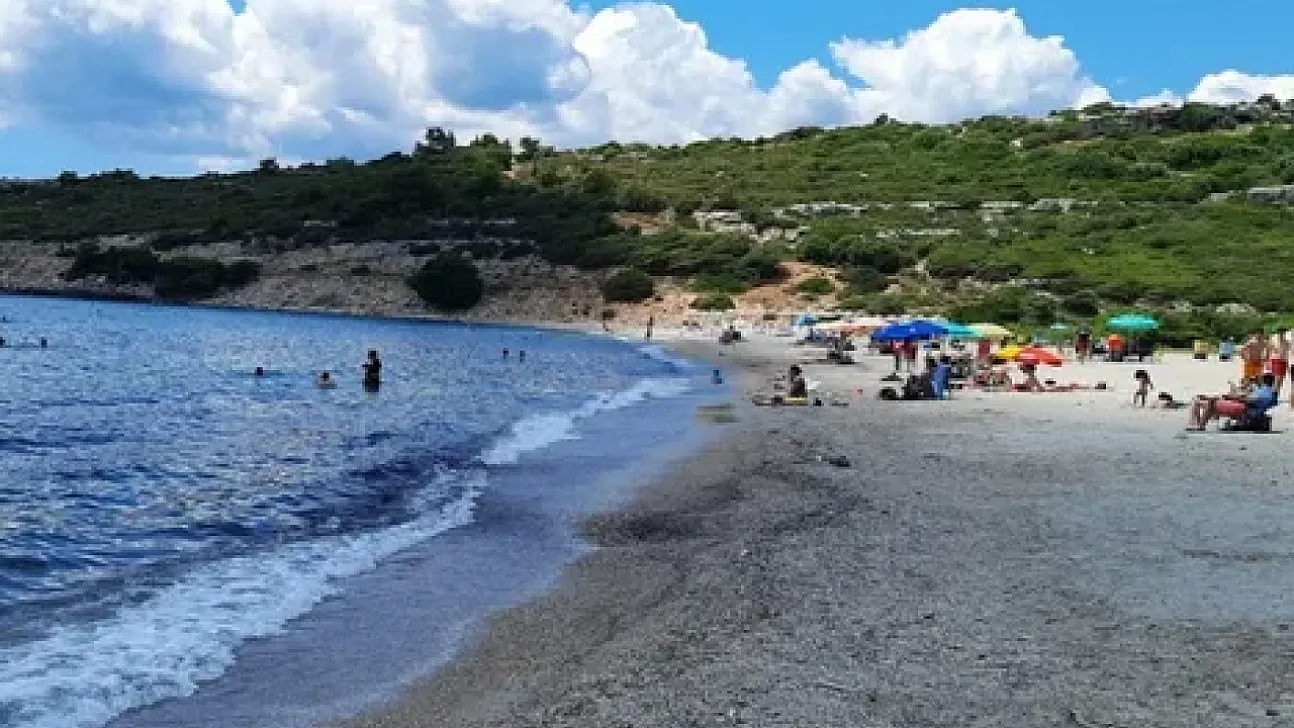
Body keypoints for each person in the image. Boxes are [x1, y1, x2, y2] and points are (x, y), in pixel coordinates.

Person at [1187, 373, 1278, 431]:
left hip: (1244, 410)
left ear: (1262, 380)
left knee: (1210, 402)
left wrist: (1230, 397)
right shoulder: (1268, 392)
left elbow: (1250, 400)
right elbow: (1248, 397)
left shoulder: (1263, 392)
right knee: (1200, 400)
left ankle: (1200, 425)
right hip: (1245, 408)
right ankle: (1197, 423)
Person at [1272, 329, 1291, 397]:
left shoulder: (1287, 343)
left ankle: (1276, 394)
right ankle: (1274, 395)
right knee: (1277, 379)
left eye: (1282, 333)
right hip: (1277, 361)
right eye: (1280, 333)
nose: (1281, 334)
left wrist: (1288, 365)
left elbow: (1287, 354)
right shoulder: (1274, 342)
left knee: (1281, 380)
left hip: (1284, 361)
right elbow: (1271, 352)